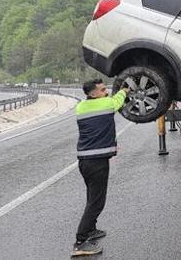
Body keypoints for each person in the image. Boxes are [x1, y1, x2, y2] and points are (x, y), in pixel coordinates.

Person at [71, 79, 127, 257]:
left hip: (85, 162)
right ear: (92, 94)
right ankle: (80, 241)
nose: (107, 91)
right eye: (103, 90)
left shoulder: (81, 107)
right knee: (96, 203)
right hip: (96, 163)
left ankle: (91, 230)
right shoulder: (106, 103)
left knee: (91, 197)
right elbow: (117, 100)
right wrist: (125, 89)